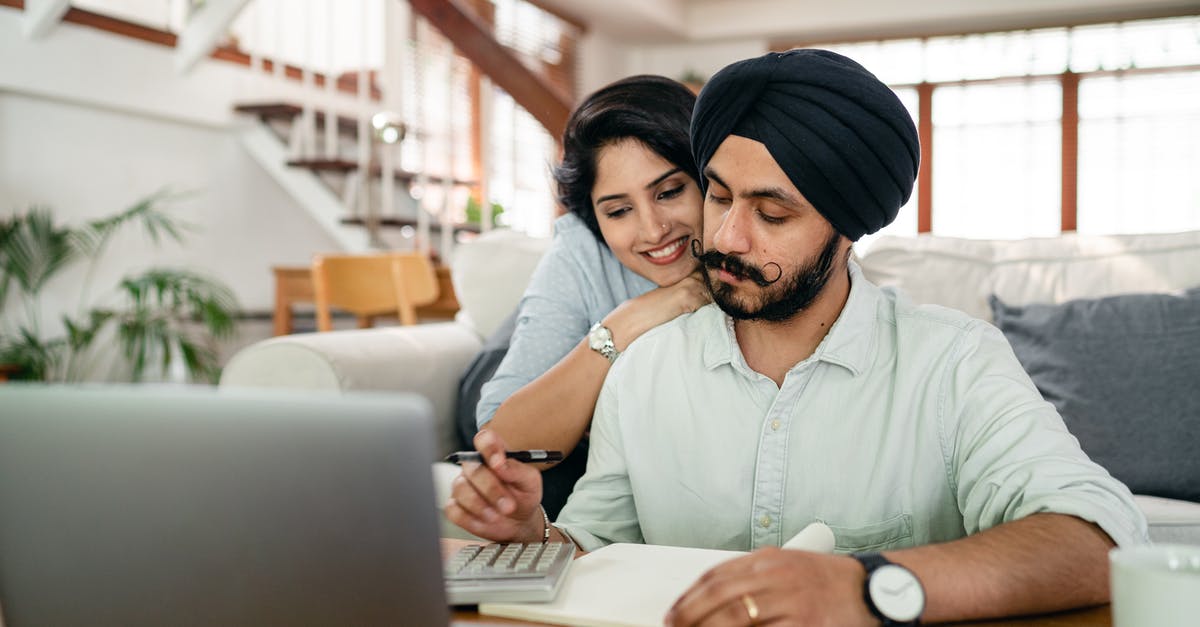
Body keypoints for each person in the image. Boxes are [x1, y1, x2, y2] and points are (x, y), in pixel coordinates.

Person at [446, 50, 1147, 625]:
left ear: (848, 226)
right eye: (718, 196)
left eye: (772, 212)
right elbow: (596, 544)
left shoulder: (954, 361)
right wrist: (533, 538)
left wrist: (867, 586)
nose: (725, 237)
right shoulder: (644, 367)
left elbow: (1098, 539)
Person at [465, 75, 710, 518]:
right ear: (595, 217)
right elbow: (506, 440)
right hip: (505, 370)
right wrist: (630, 319)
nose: (654, 229)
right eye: (618, 211)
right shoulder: (581, 248)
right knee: (551, 479)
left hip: (589, 394)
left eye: (670, 191)